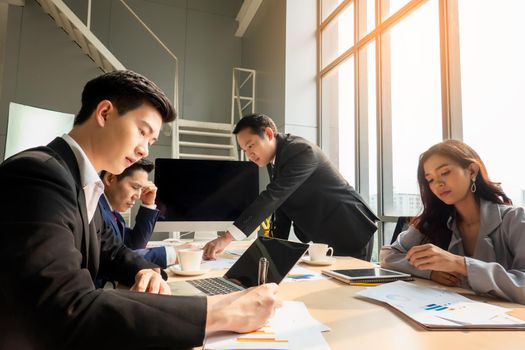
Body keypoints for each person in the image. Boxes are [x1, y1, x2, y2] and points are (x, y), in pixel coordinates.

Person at [0, 70, 280, 349]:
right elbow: (61, 309)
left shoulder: (82, 182)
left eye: (151, 141)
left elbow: (111, 249)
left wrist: (144, 270)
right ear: (105, 113)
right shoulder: (38, 175)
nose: (145, 150)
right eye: (142, 132)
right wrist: (218, 312)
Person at [203, 113, 378, 260]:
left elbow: (273, 197)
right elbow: (282, 208)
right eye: (245, 150)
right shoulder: (275, 161)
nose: (249, 155)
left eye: (251, 145)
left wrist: (227, 237)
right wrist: (270, 252)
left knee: (347, 292)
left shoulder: (300, 150)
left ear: (269, 134)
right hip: (326, 234)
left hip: (349, 228)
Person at [380, 140, 525, 304]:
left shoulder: (515, 219)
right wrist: (430, 272)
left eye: (445, 172)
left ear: (472, 170)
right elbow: (388, 255)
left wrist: (459, 264)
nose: (438, 184)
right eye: (430, 179)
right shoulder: (434, 221)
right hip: (449, 317)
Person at [99, 159, 177, 270]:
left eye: (142, 189)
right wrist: (172, 253)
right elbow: (114, 260)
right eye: (135, 187)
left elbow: (134, 245)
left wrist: (148, 204)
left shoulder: (113, 213)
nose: (138, 195)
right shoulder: (96, 212)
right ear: (110, 178)